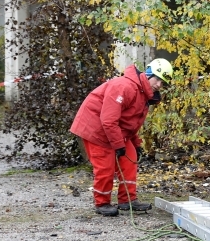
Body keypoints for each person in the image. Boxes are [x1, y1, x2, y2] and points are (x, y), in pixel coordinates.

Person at [70, 59, 172, 217]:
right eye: (157, 79)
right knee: (105, 168)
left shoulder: (143, 95)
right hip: (96, 129)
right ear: (148, 74)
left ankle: (127, 200)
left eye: (163, 82)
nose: (159, 85)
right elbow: (108, 120)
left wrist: (136, 144)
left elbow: (128, 123)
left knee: (130, 160)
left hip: (112, 130)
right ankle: (102, 203)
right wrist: (118, 145)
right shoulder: (124, 86)